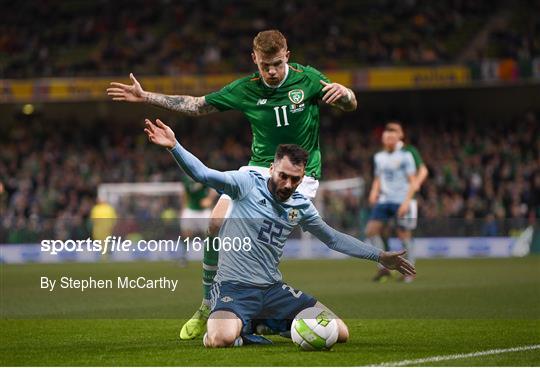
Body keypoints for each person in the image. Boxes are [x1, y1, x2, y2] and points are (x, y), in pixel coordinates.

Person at [107, 29, 358, 339]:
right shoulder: (246, 89)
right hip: (256, 170)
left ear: (288, 57)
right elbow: (198, 105)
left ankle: (259, 313)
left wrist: (344, 93)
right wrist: (146, 97)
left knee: (261, 241)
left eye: (277, 64)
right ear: (254, 59)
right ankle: (208, 304)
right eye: (265, 65)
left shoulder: (308, 79)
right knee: (214, 223)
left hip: (299, 177)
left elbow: (350, 105)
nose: (271, 72)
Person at [143, 118, 415, 347]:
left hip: (273, 290)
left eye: (295, 179)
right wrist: (174, 147)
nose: (287, 183)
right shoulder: (246, 184)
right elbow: (203, 174)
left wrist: (379, 255)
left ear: (302, 176)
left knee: (339, 333)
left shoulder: (300, 205)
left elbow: (332, 238)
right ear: (271, 168)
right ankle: (242, 327)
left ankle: (259, 323)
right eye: (282, 175)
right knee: (218, 339)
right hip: (233, 288)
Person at [372, 121, 428, 282]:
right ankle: (384, 267)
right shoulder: (385, 153)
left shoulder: (409, 151)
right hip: (387, 199)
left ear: (401, 134)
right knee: (379, 231)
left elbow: (423, 170)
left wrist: (415, 184)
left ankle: (409, 271)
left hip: (405, 199)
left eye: (395, 130)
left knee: (404, 233)